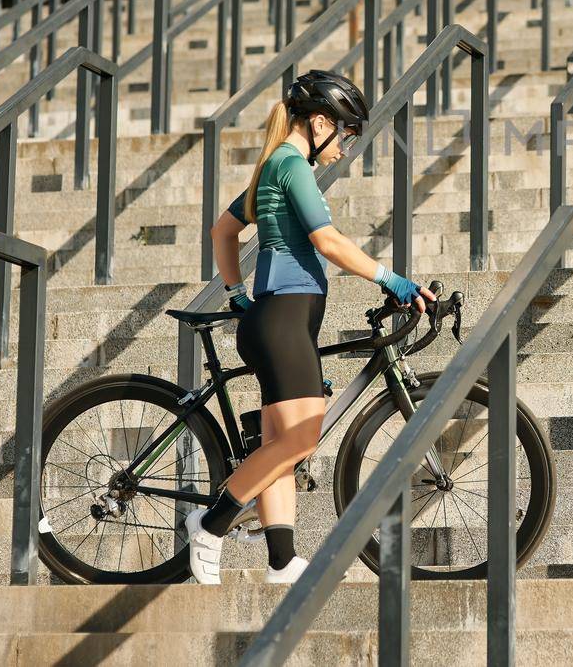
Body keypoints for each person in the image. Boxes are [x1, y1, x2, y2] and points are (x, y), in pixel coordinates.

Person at [185, 69, 433, 584]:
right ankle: (210, 525)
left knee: (279, 445)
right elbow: (329, 243)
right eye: (342, 134)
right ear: (319, 123)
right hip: (284, 321)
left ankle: (281, 560)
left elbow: (222, 231)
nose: (343, 148)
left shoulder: (273, 165)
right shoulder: (292, 165)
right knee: (300, 440)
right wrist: (393, 280)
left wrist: (236, 295)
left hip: (273, 318)